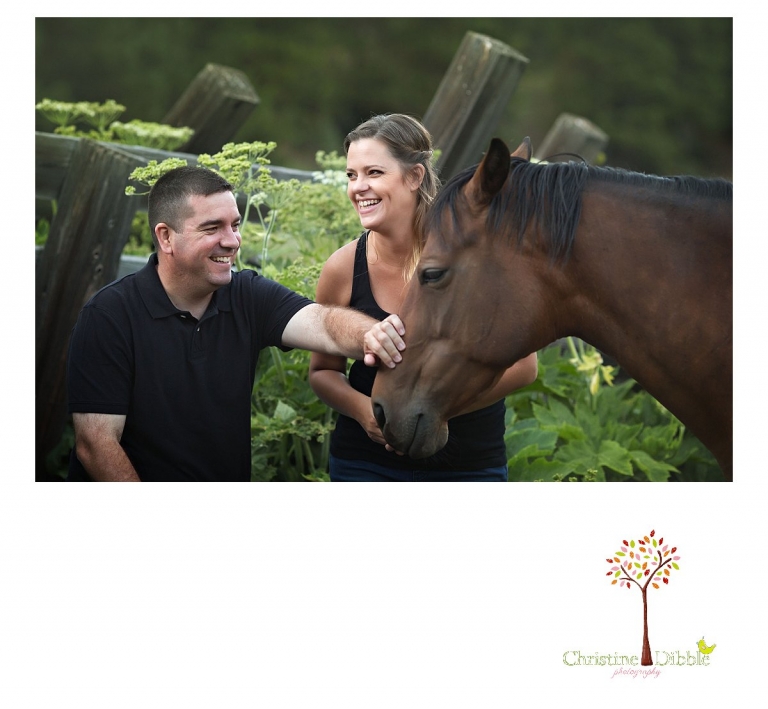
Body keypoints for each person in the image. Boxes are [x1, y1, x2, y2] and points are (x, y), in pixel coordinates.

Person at [66, 165, 406, 482]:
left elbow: (323, 323)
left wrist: (370, 334)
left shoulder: (246, 295)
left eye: (235, 225)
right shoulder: (109, 315)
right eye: (212, 228)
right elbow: (95, 445)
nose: (232, 241)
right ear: (166, 237)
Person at [309, 113, 539, 481]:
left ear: (415, 176)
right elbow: (323, 371)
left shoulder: (471, 258)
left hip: (468, 467)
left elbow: (524, 367)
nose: (358, 187)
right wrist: (365, 412)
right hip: (364, 465)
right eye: (351, 175)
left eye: (374, 172)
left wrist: (435, 410)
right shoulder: (342, 267)